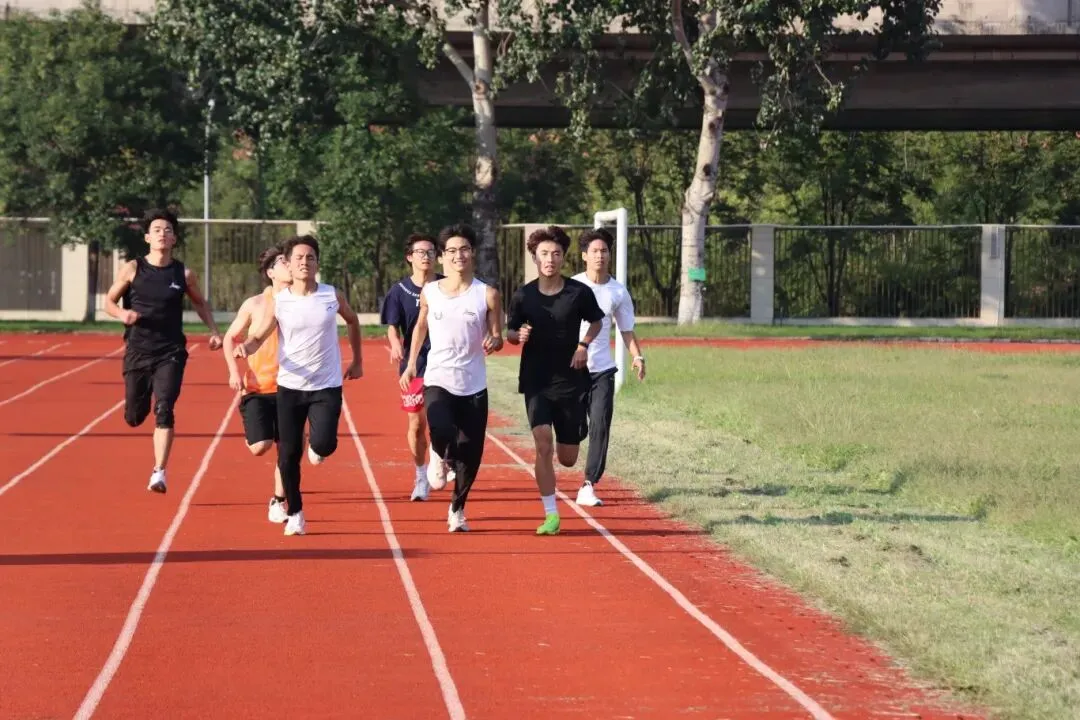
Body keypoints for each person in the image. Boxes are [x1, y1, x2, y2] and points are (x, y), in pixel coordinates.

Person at [236, 235, 364, 537]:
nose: (304, 262)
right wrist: (247, 347)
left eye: (310, 257)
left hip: (326, 386)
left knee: (324, 444)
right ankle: (295, 512)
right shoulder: (280, 301)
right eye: (298, 258)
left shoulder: (331, 295)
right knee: (288, 455)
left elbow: (353, 321)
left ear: (317, 263)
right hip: (290, 388)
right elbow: (259, 335)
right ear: (289, 265)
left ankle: (319, 446)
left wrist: (357, 360)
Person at [104, 208, 223, 494]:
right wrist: (122, 314)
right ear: (147, 237)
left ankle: (159, 472)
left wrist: (214, 331)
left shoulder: (183, 274)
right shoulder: (133, 269)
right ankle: (140, 405)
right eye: (157, 230)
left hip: (171, 351)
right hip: (138, 350)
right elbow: (108, 302)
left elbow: (200, 303)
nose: (162, 234)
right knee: (134, 416)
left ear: (174, 239)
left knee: (165, 407)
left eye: (167, 230)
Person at [399, 223, 503, 533]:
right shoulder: (430, 292)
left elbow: (497, 335)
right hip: (438, 377)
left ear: (473, 253)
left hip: (473, 383)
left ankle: (457, 509)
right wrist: (410, 364)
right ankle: (437, 453)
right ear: (443, 257)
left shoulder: (487, 294)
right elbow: (421, 326)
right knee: (441, 428)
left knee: (471, 454)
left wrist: (495, 340)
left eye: (465, 249)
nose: (459, 255)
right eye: (452, 251)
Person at [506, 225, 604, 536]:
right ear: (535, 257)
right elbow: (510, 332)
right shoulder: (524, 295)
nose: (550, 259)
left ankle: (575, 430)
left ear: (563, 257)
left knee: (568, 458)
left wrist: (583, 345)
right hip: (536, 380)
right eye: (544, 254)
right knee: (543, 445)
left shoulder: (578, 292)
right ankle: (551, 514)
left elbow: (597, 322)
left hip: (571, 380)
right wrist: (517, 335)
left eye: (556, 254)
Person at [571, 228, 647, 507]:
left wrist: (638, 357)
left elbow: (626, 330)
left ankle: (588, 483)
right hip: (572, 369)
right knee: (575, 429)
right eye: (594, 251)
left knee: (600, 425)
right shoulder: (572, 286)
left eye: (604, 251)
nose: (600, 256)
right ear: (584, 256)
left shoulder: (618, 291)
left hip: (602, 370)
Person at [222, 244, 293, 523]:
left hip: (292, 388)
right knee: (260, 446)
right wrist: (233, 372)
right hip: (258, 387)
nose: (290, 264)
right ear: (270, 272)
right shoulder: (255, 304)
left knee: (288, 449)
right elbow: (230, 338)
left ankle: (278, 500)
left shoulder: (301, 301)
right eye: (283, 261)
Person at [381, 233, 443, 502]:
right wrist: (396, 344)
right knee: (417, 424)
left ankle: (443, 459)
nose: (426, 256)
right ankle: (420, 474)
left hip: (445, 362)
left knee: (443, 418)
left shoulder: (446, 286)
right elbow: (392, 327)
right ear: (409, 257)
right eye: (420, 252)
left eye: (431, 252)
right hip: (414, 364)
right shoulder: (399, 291)